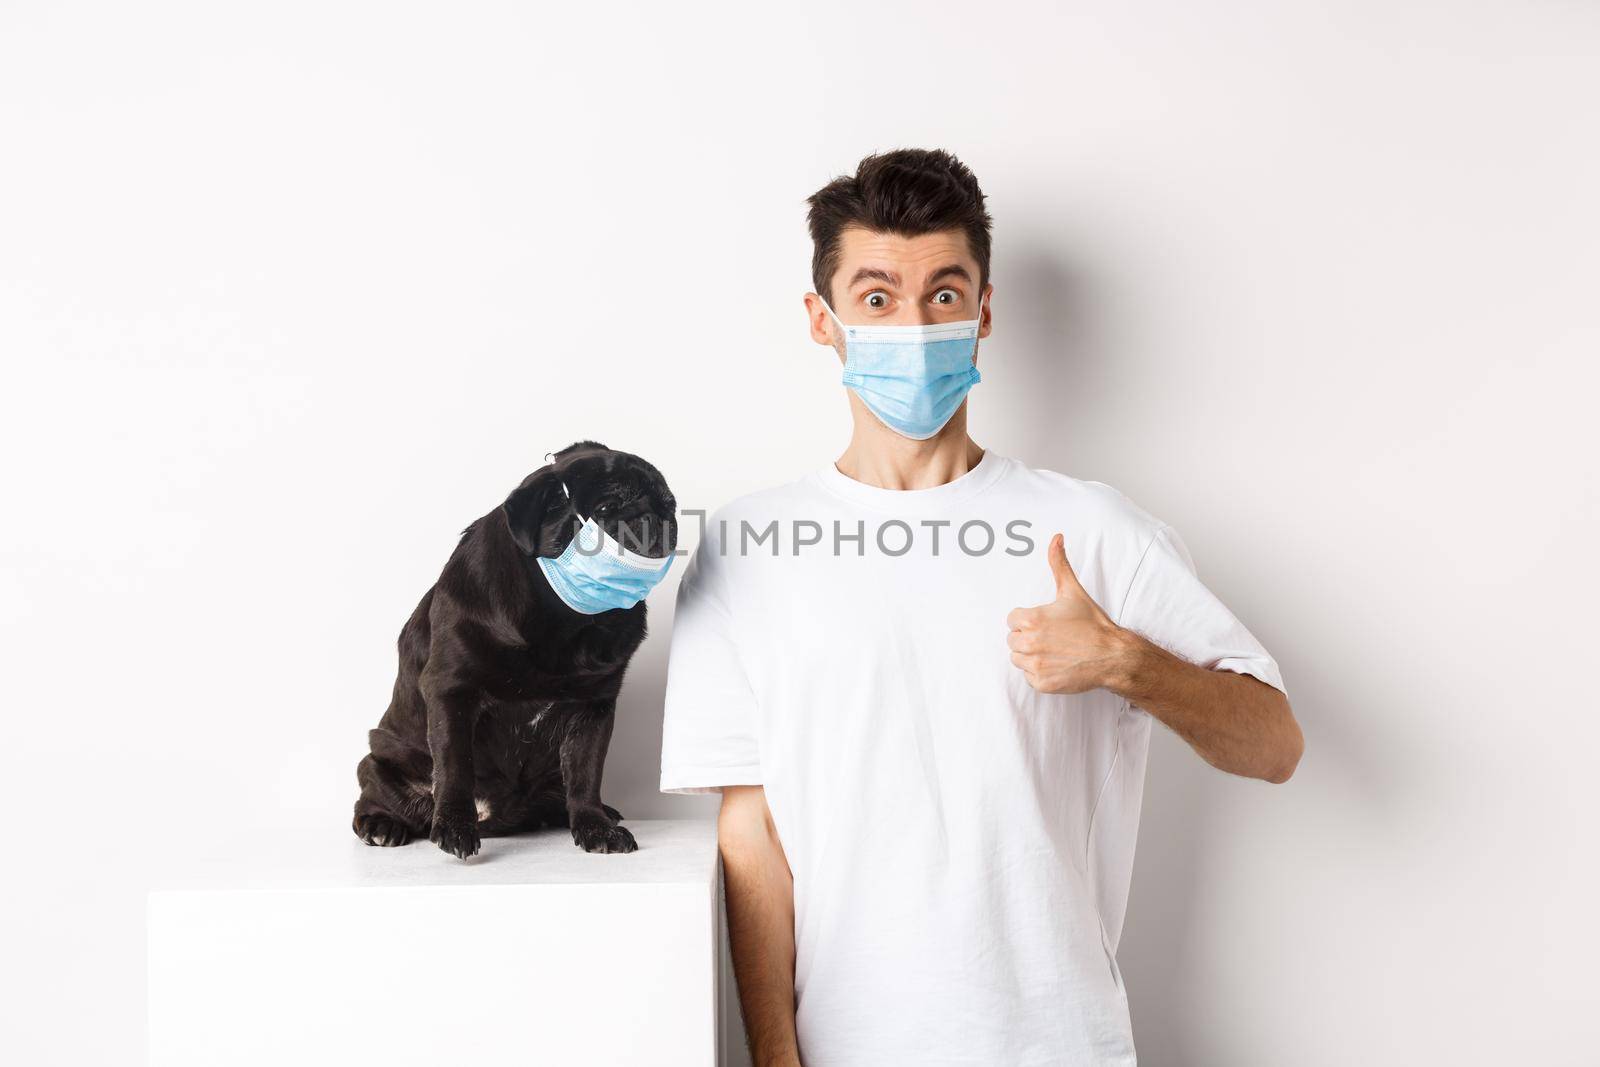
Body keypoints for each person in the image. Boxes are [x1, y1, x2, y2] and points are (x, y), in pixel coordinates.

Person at [658, 148, 1303, 1066]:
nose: (913, 325)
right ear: (822, 320)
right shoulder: (746, 545)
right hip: (847, 1046)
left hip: (1059, 1042)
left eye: (945, 295)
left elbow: (1275, 743)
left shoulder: (1092, 528)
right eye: (877, 298)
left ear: (983, 311)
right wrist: (774, 1054)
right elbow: (751, 833)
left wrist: (1126, 661)